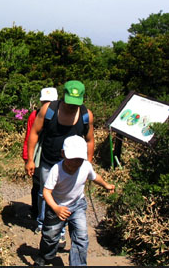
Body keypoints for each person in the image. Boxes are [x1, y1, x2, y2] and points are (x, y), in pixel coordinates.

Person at [25, 80, 95, 249]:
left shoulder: (86, 115)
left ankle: (60, 232)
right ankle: (44, 225)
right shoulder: (48, 110)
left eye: (76, 104)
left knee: (66, 196)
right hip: (49, 161)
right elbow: (34, 133)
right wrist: (30, 159)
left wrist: (87, 165)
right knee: (45, 194)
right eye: (70, 102)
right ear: (63, 96)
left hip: (73, 166)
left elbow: (90, 141)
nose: (72, 107)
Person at [34, 135, 115, 266]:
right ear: (63, 154)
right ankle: (45, 256)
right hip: (57, 206)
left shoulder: (85, 166)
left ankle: (78, 264)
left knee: (81, 236)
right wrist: (56, 208)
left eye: (79, 159)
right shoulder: (56, 170)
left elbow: (94, 177)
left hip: (77, 205)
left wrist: (105, 185)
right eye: (71, 159)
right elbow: (46, 192)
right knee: (50, 236)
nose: (75, 163)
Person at [22, 87, 58, 231]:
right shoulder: (35, 115)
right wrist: (27, 158)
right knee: (38, 185)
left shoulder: (60, 116)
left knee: (49, 188)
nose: (47, 105)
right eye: (45, 102)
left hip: (49, 155)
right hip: (38, 155)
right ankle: (38, 214)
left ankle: (46, 218)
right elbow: (29, 136)